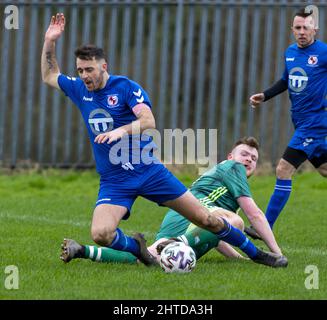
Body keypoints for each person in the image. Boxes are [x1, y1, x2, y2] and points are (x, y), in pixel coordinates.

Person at [42, 13, 287, 268]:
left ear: (104, 67)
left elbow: (148, 121)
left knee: (207, 219)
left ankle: (257, 255)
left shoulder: (126, 87)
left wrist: (120, 132)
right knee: (101, 234)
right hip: (115, 180)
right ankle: (137, 249)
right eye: (80, 70)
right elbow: (49, 75)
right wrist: (50, 41)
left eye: (89, 69)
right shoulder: (80, 89)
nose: (84, 75)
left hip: (149, 172)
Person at [60, 137, 285, 267]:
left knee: (147, 258)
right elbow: (254, 214)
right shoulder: (232, 168)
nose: (249, 160)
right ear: (230, 157)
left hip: (183, 217)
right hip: (194, 213)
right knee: (234, 221)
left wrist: (239, 260)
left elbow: (217, 238)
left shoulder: (224, 173)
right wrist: (277, 252)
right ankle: (176, 243)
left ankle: (82, 251)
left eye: (253, 158)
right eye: (244, 154)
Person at [246, 8, 327, 239]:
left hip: (314, 123)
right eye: (298, 28)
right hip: (300, 122)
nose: (302, 32)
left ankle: (265, 228)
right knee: (323, 169)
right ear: (292, 30)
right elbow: (286, 80)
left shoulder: (323, 53)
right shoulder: (290, 52)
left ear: (315, 29)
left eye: (306, 28)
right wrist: (265, 95)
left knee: (283, 169)